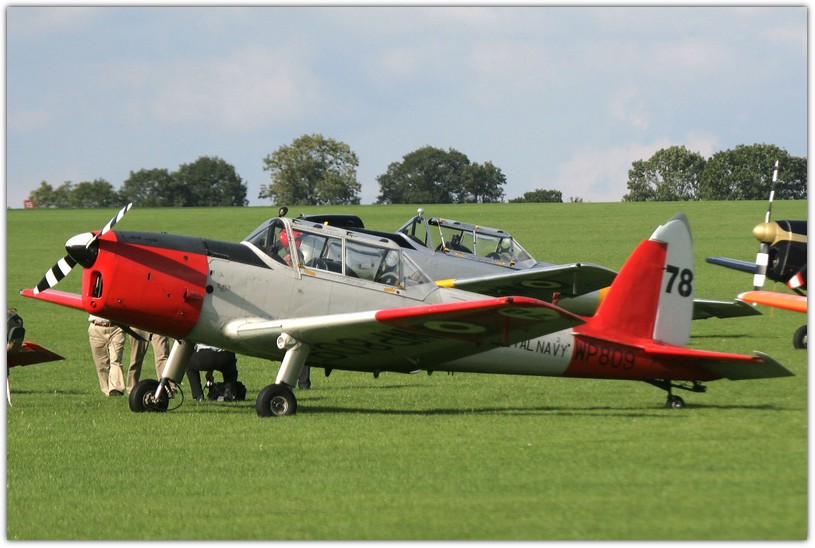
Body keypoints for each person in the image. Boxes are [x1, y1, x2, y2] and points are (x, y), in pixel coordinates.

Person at [87, 314, 126, 396]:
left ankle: (116, 389)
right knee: (101, 364)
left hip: (116, 328)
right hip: (96, 327)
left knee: (115, 360)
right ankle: (107, 392)